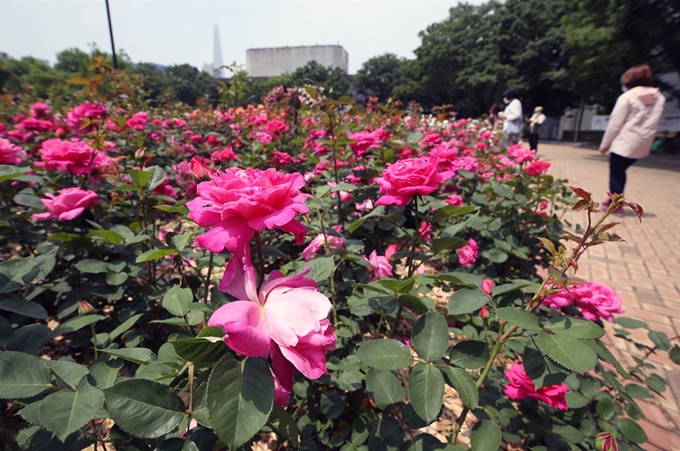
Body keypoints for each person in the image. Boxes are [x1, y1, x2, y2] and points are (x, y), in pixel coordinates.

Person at [599, 64, 665, 211]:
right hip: (643, 143)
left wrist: (604, 145)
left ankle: (616, 205)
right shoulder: (659, 98)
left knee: (616, 174)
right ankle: (615, 200)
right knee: (621, 171)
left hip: (624, 141)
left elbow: (615, 124)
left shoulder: (627, 97)